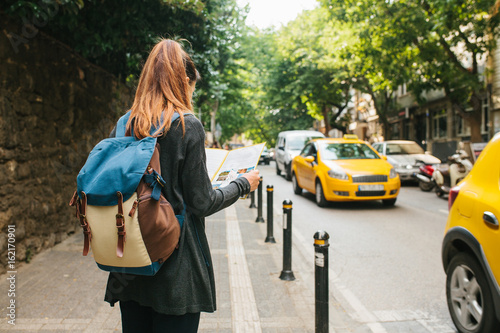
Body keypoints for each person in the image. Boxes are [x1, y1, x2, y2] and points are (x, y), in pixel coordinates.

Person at [104, 39, 260, 332]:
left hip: (131, 262)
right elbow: (202, 202)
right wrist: (242, 184)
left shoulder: (126, 123)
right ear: (184, 80)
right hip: (175, 269)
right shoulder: (187, 125)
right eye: (192, 86)